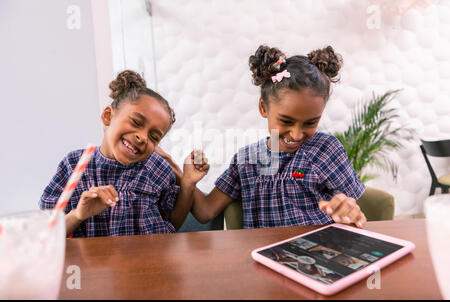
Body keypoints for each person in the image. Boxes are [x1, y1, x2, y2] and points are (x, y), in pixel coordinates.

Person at [179, 45, 367, 228]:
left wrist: (349, 210)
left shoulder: (326, 149)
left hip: (318, 252)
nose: (296, 134)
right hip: (265, 255)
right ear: (263, 108)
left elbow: (353, 207)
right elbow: (205, 211)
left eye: (310, 123)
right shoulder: (246, 161)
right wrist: (186, 180)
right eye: (286, 121)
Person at [39, 70, 209, 237]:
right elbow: (47, 234)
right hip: (91, 265)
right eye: (136, 122)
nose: (142, 137)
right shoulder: (74, 164)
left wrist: (187, 183)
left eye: (153, 137)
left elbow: (172, 222)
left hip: (151, 262)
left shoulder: (157, 167)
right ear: (108, 116)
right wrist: (78, 215)